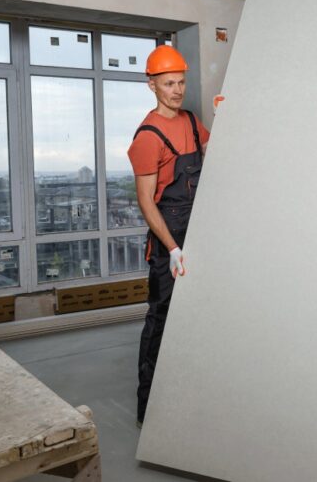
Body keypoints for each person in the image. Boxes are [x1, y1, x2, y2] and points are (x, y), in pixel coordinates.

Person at [128, 45, 210, 428]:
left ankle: (191, 398)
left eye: (181, 82)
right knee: (161, 321)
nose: (177, 90)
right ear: (152, 85)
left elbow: (220, 153)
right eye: (169, 84)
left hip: (202, 232)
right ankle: (151, 410)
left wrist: (229, 118)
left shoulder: (193, 123)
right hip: (169, 243)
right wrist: (173, 248)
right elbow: (146, 202)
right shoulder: (147, 136)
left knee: (199, 319)